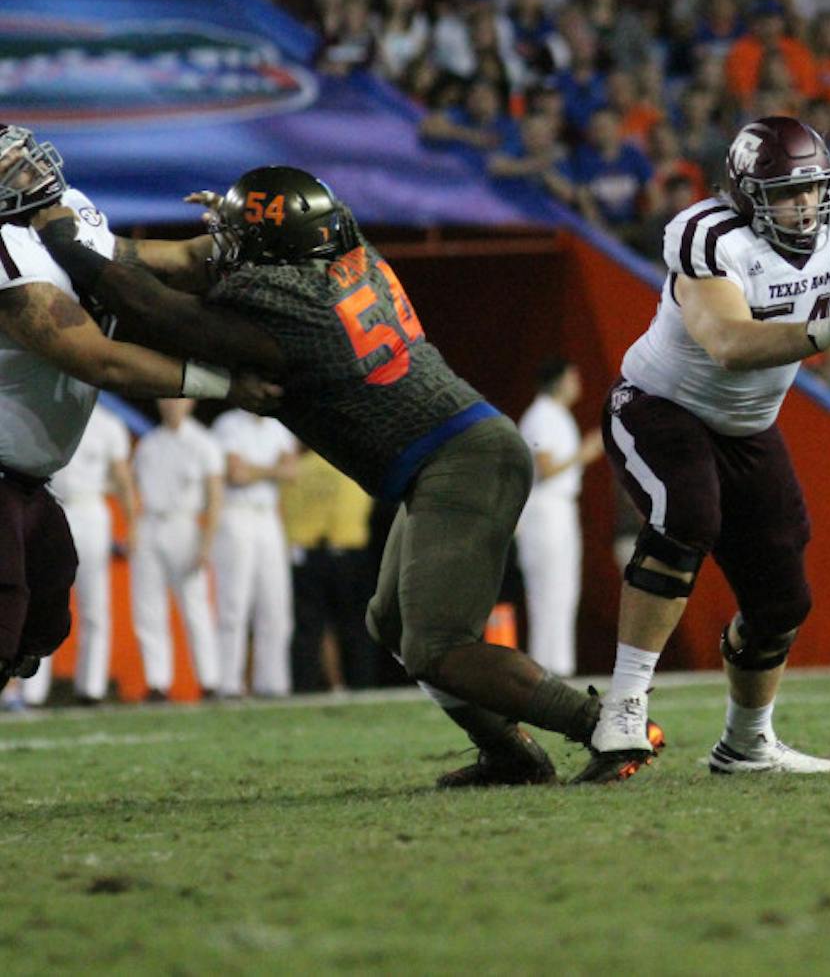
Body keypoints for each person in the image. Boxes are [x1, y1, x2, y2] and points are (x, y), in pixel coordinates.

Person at [35, 165, 645, 786]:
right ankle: (511, 754)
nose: (224, 241)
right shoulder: (342, 241)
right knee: (393, 623)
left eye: (238, 232)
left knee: (441, 645)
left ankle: (605, 724)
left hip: (461, 460)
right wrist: (133, 240)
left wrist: (63, 246)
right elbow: (207, 261)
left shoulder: (291, 315)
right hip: (452, 452)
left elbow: (155, 310)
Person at [582, 115, 830, 781]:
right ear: (744, 195)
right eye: (787, 192)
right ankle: (623, 705)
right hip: (658, 405)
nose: (806, 205)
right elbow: (729, 344)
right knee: (688, 515)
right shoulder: (707, 233)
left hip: (748, 425)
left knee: (782, 599)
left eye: (813, 188)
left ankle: (746, 743)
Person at [0, 125, 273, 690]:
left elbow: (153, 262)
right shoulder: (7, 259)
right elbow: (101, 361)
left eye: (26, 160)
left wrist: (242, 236)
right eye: (13, 168)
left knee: (41, 617)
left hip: (27, 479)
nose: (34, 171)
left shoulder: (61, 213)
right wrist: (223, 385)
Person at [20, 403, 135, 707]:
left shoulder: (110, 425)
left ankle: (92, 688)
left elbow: (122, 477)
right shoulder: (51, 414)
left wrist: (132, 523)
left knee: (94, 603)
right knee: (44, 598)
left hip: (90, 509)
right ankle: (32, 689)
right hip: (54, 506)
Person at [515, 357, 604, 677]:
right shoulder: (540, 416)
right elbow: (546, 467)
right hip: (544, 508)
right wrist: (586, 452)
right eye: (572, 377)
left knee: (565, 588)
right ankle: (544, 668)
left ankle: (560, 667)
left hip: (562, 507)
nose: (577, 384)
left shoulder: (557, 415)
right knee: (547, 589)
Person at [130, 398, 225, 700]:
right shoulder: (149, 444)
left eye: (177, 400)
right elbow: (133, 486)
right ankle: (157, 682)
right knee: (148, 608)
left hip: (184, 525)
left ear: (191, 403)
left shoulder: (203, 443)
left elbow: (215, 495)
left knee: (195, 606)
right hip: (150, 523)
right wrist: (133, 527)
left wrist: (207, 542)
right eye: (167, 400)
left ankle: (209, 680)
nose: (172, 405)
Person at [212, 408, 298, 698]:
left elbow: (292, 471)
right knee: (234, 603)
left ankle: (272, 682)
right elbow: (236, 475)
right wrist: (273, 470)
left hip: (268, 517)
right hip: (236, 514)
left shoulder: (279, 426)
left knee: (275, 604)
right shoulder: (228, 424)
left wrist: (256, 470)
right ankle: (228, 682)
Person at [281, 445, 379, 692]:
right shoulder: (354, 467)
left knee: (308, 629)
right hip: (348, 551)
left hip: (307, 554)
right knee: (355, 627)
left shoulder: (299, 469)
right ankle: (361, 683)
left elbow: (285, 510)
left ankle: (305, 686)